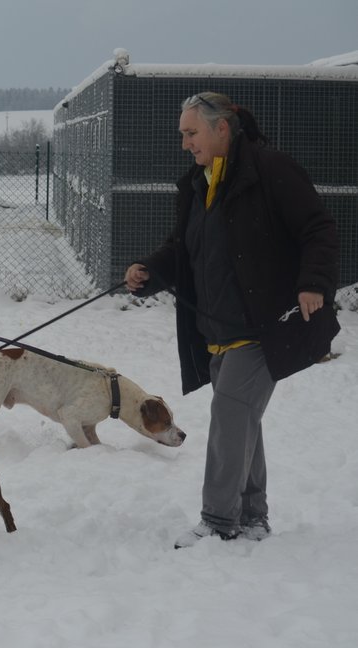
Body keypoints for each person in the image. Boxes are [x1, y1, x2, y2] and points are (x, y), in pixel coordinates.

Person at [124, 91, 339, 548]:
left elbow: (318, 227)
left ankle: (219, 522)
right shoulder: (201, 183)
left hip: (265, 326)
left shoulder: (270, 170)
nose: (184, 143)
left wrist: (314, 282)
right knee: (242, 420)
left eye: (190, 133)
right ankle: (253, 515)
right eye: (182, 135)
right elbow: (184, 249)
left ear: (221, 128)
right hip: (217, 330)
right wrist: (150, 271)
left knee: (228, 415)